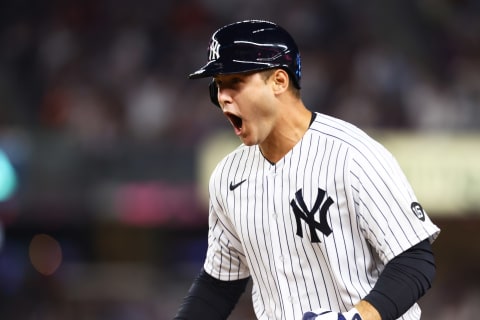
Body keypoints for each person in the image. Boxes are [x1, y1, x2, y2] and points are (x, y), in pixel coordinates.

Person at [173, 20, 440, 320]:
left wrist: (356, 318)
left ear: (278, 81)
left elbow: (414, 261)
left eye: (235, 82)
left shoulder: (352, 155)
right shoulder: (228, 176)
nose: (222, 97)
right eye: (218, 86)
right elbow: (217, 286)